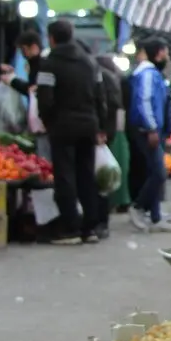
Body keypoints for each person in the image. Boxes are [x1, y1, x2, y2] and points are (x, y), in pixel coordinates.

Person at [37, 19, 108, 246]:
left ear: (51, 38)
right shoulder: (91, 63)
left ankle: (71, 227)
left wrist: (48, 122)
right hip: (89, 126)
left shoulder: (49, 64)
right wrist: (100, 125)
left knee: (65, 176)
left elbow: (45, 99)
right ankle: (91, 227)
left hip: (63, 127)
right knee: (87, 175)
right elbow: (101, 98)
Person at [128, 39, 171, 233]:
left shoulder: (152, 74)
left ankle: (156, 216)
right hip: (147, 131)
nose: (168, 57)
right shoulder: (147, 75)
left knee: (155, 172)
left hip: (155, 130)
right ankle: (138, 206)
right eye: (166, 52)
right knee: (159, 172)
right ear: (159, 53)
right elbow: (144, 101)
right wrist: (151, 128)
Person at [95, 54, 127, 237]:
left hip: (101, 134)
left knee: (98, 178)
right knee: (102, 179)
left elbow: (108, 107)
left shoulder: (102, 78)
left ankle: (100, 221)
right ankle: (102, 220)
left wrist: (102, 131)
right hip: (107, 134)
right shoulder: (113, 79)